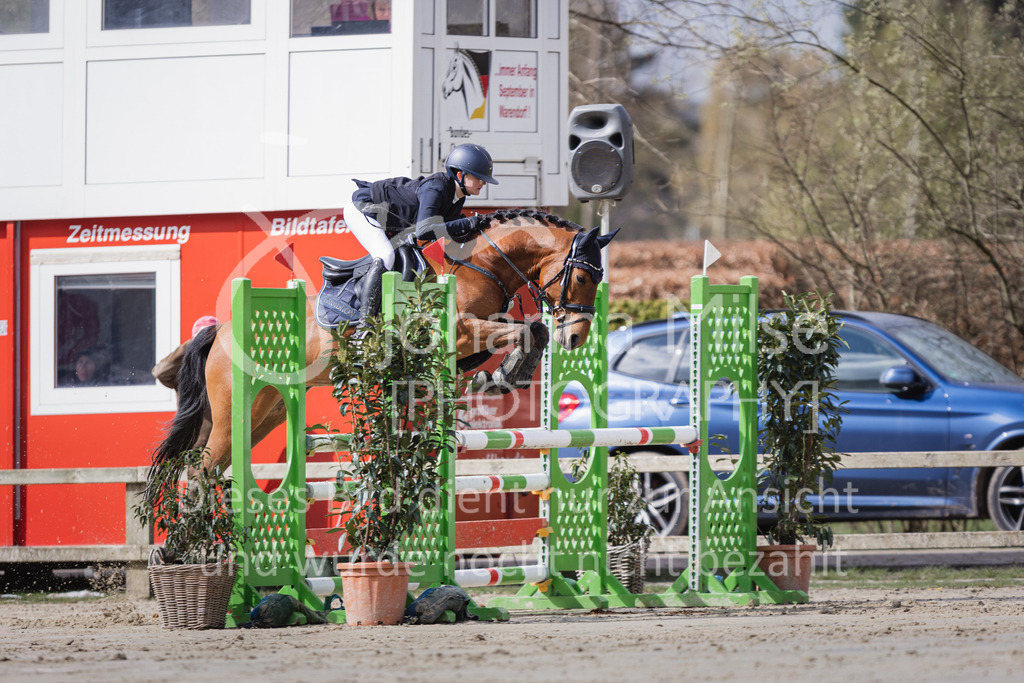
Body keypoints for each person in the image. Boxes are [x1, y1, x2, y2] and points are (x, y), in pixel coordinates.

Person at [342, 143, 498, 271]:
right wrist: (468, 223)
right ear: (459, 175)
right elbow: (423, 231)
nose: (484, 183)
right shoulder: (436, 189)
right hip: (363, 208)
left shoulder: (457, 198)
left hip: (389, 222)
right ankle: (367, 310)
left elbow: (447, 231)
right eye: (479, 178)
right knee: (386, 256)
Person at [153, 315, 219, 391]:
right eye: (203, 336)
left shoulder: (223, 366)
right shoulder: (185, 371)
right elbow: (160, 372)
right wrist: (190, 346)